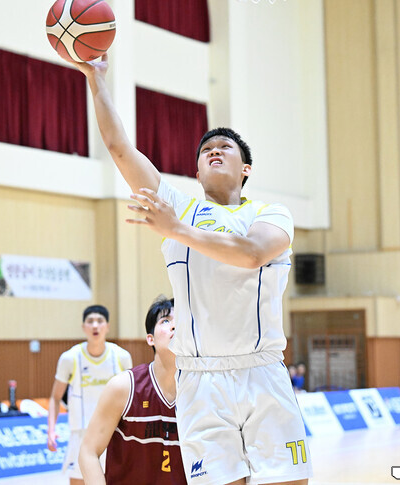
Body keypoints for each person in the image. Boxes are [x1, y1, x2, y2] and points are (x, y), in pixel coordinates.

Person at [72, 54, 312, 485]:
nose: (214, 150)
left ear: (246, 169)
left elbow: (251, 254)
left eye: (225, 147)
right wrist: (96, 78)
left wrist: (176, 230)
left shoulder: (270, 213)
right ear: (196, 171)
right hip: (200, 380)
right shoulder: (178, 207)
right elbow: (119, 148)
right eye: (206, 150)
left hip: (262, 370)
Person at [78, 296, 185, 484]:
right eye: (165, 321)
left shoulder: (203, 391)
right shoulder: (123, 387)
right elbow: (88, 452)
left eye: (181, 320)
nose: (175, 326)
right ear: (150, 339)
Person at [47, 304, 133, 485]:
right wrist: (51, 431)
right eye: (90, 321)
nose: (95, 325)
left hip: (114, 433)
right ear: (83, 327)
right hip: (81, 434)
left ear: (107, 326)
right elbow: (55, 397)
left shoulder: (121, 356)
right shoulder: (70, 358)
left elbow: (131, 397)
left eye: (100, 321)